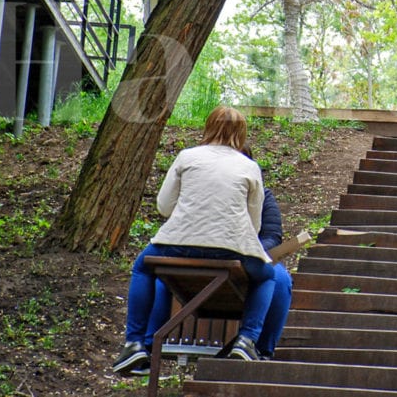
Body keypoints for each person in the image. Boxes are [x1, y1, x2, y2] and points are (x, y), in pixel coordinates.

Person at [112, 107, 276, 377]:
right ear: (242, 134)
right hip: (231, 247)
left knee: (142, 267)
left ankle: (134, 343)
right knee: (268, 277)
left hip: (179, 241)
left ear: (208, 126)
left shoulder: (187, 157)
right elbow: (254, 224)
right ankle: (247, 340)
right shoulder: (250, 167)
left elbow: (164, 207)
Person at [145, 187, 293, 360]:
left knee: (280, 280)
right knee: (165, 274)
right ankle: (148, 343)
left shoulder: (263, 195)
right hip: (205, 254)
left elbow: (272, 235)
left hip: (251, 258)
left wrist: (252, 252)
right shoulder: (204, 189)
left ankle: (261, 349)